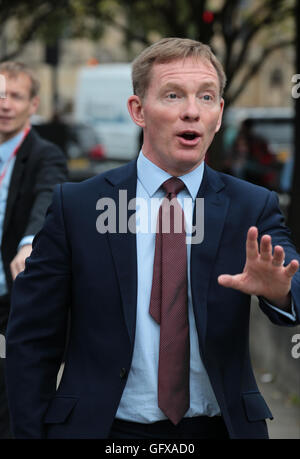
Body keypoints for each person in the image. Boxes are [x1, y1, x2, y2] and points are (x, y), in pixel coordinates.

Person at [5, 39, 300, 439]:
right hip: (105, 430)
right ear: (138, 111)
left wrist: (280, 292)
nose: (191, 111)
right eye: (173, 95)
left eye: (206, 97)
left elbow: (293, 282)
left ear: (219, 114)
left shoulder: (252, 205)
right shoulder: (77, 206)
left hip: (218, 429)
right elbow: (32, 341)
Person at [0, 62, 68, 438]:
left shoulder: (45, 156)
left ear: (33, 104)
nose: (5, 104)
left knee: (11, 403)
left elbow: (48, 198)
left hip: (10, 303)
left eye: (16, 96)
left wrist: (29, 244)